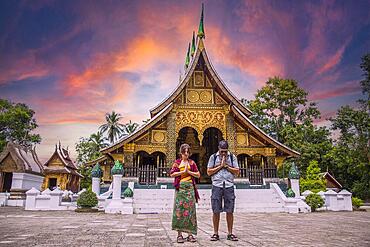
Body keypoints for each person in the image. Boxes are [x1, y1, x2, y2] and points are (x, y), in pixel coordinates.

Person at [207, 140, 239, 241]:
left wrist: (227, 166)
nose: (224, 153)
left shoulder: (233, 157)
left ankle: (230, 233)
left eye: (225, 151)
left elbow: (237, 171)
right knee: (216, 210)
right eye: (222, 151)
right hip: (217, 185)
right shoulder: (213, 157)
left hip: (229, 185)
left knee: (230, 210)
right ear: (218, 149)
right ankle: (215, 233)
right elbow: (209, 172)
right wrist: (220, 166)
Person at [170, 143, 200, 243]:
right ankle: (179, 234)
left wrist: (189, 172)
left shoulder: (192, 163)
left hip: (190, 188)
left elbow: (198, 175)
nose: (186, 154)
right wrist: (182, 172)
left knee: (190, 211)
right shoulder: (177, 163)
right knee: (179, 210)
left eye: (187, 152)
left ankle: (190, 234)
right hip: (180, 188)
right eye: (184, 152)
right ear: (181, 152)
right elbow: (172, 174)